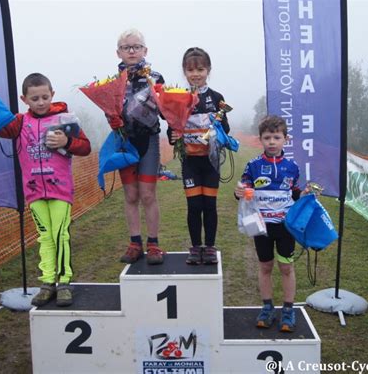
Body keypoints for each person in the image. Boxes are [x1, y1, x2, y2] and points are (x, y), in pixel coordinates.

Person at [0, 73, 91, 307]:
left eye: (45, 96)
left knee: (60, 234)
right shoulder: (20, 122)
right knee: (44, 236)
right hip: (34, 192)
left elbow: (85, 147)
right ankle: (47, 282)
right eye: (35, 98)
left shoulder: (65, 119)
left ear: (52, 94)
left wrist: (67, 142)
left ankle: (64, 281)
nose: (41, 102)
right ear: (25, 99)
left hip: (60, 190)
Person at [234, 115, 310, 332]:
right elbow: (243, 189)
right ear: (261, 139)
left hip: (285, 227)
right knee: (265, 266)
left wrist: (303, 194)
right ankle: (267, 307)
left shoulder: (292, 166)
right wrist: (239, 192)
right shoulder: (253, 165)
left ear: (285, 139)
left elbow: (294, 193)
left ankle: (288, 309)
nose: (272, 142)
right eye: (267, 137)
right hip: (261, 226)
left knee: (286, 267)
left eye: (277, 137)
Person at [167, 47, 230, 265]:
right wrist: (173, 135)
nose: (196, 74)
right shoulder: (178, 98)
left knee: (209, 205)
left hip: (211, 162)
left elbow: (226, 130)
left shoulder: (217, 97)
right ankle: (195, 248)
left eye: (200, 69)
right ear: (184, 72)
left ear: (208, 70)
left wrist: (218, 132)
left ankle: (210, 247)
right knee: (194, 206)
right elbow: (172, 130)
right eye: (190, 69)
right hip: (191, 162)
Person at [115, 29, 166, 265]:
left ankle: (153, 244)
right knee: (131, 194)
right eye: (127, 47)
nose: (132, 51)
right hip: (125, 141)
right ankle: (135, 243)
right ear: (119, 53)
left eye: (136, 46)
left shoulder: (156, 77)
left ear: (145, 50)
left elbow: (167, 112)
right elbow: (111, 110)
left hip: (149, 140)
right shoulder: (114, 82)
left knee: (147, 195)